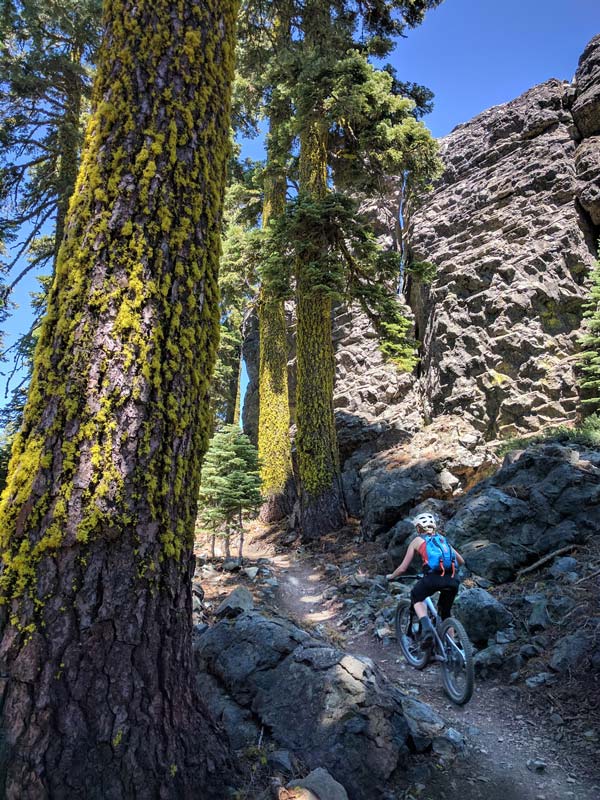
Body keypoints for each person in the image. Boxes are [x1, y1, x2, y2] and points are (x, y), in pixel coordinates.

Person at [386, 512, 464, 643]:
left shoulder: (417, 541)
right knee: (445, 614)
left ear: (418, 528)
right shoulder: (442, 540)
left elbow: (403, 568)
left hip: (433, 579)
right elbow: (461, 561)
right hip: (452, 579)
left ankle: (427, 629)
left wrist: (391, 576)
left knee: (416, 596)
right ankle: (453, 649)